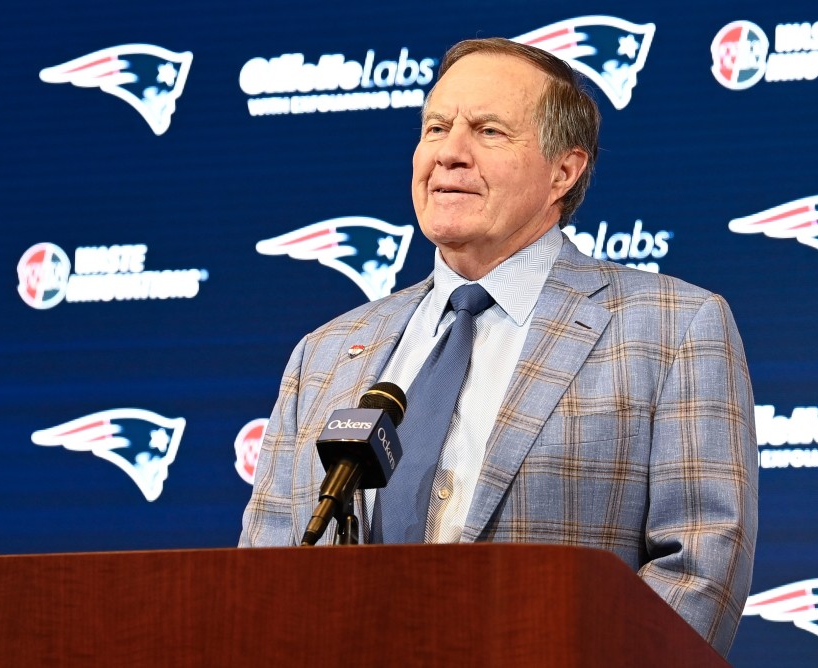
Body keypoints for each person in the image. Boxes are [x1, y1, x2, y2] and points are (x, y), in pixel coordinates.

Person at [240, 37, 758, 656]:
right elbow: (261, 580)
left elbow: (698, 568)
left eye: (488, 131)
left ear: (563, 172)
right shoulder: (326, 353)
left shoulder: (674, 327)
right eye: (435, 127)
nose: (449, 154)